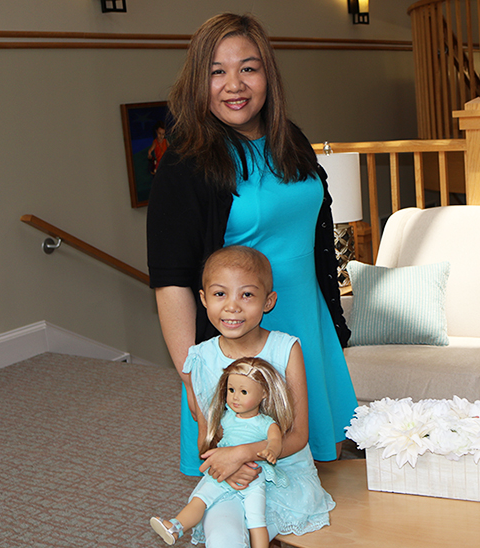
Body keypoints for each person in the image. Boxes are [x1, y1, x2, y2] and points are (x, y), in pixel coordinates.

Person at [146, 12, 358, 479]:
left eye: (248, 67)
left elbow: (315, 236)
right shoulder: (186, 163)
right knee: (251, 482)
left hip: (308, 324)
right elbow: (172, 280)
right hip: (243, 342)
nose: (234, 84)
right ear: (198, 82)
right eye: (216, 71)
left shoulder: (291, 139)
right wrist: (195, 375)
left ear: (268, 75)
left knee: (322, 472)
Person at [155, 245, 335, 547]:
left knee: (257, 533)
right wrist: (230, 465)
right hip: (226, 477)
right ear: (203, 299)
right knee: (222, 538)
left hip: (282, 476)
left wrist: (242, 454)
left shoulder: (286, 348)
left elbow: (299, 435)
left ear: (269, 301)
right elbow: (206, 439)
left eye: (247, 295)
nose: (232, 307)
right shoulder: (200, 358)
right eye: (220, 294)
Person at [150, 357, 292, 548]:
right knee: (200, 499)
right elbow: (215, 439)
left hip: (253, 477)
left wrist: (271, 452)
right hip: (222, 473)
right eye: (231, 390)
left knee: (256, 519)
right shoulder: (226, 417)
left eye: (243, 392)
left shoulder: (267, 423)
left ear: (264, 393)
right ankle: (175, 527)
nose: (235, 397)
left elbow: (276, 442)